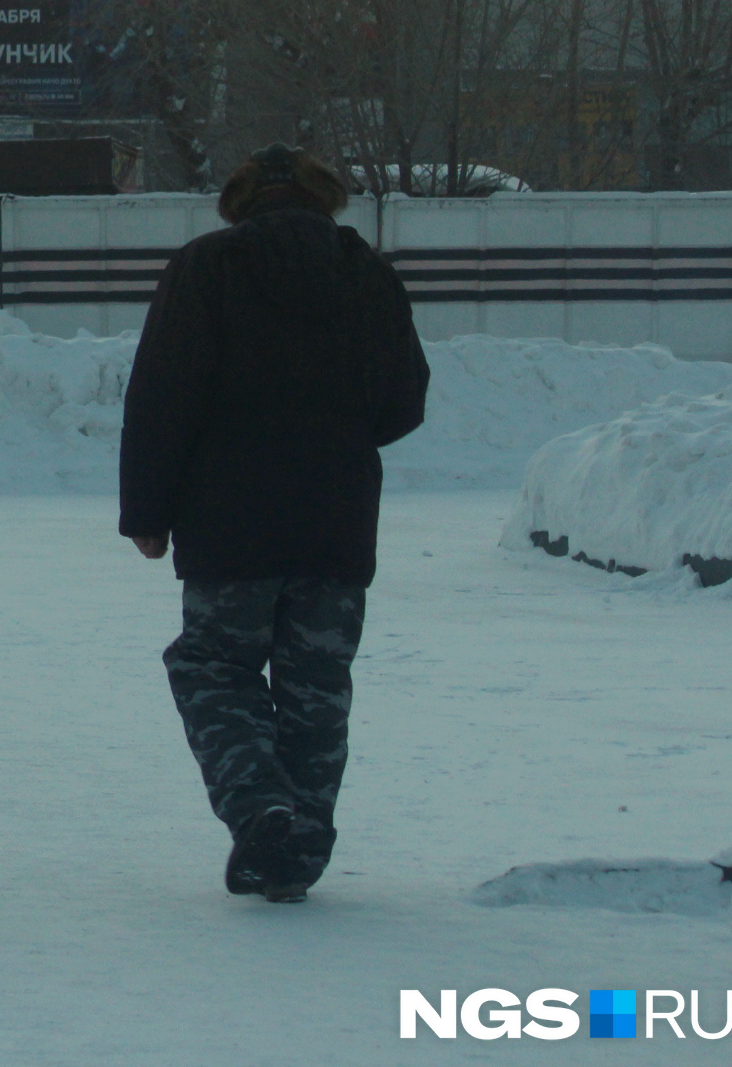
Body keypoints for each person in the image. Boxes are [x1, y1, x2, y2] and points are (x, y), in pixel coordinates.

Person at [119, 144, 430, 903]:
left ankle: (260, 804)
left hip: (228, 521)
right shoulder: (368, 274)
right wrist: (336, 442)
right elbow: (405, 398)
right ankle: (296, 851)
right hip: (337, 521)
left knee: (212, 666)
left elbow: (163, 394)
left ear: (238, 199)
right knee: (315, 690)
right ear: (325, 199)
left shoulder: (207, 267)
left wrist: (147, 513)